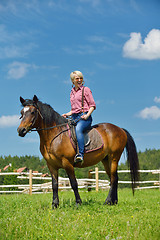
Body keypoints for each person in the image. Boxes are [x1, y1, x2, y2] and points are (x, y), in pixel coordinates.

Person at [62, 71, 96, 163]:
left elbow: (92, 105)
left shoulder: (86, 90)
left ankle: (80, 154)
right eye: (77, 78)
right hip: (74, 117)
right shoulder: (72, 92)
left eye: (81, 78)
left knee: (78, 130)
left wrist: (87, 115)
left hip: (84, 117)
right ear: (73, 81)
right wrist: (67, 114)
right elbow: (73, 109)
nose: (79, 80)